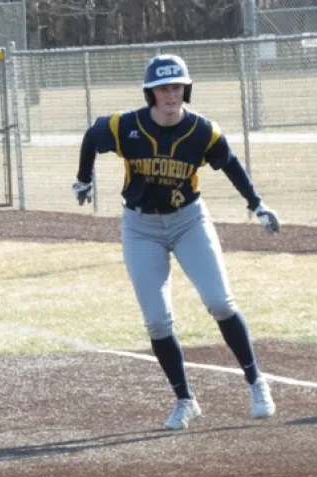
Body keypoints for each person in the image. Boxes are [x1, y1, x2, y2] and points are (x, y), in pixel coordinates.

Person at [71, 54, 280, 431]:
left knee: (219, 301)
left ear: (186, 89)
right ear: (151, 93)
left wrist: (257, 204)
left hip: (188, 222)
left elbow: (231, 164)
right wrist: (84, 178)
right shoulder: (125, 126)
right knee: (156, 320)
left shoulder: (202, 131)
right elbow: (91, 135)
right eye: (164, 88)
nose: (171, 94)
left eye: (177, 86)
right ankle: (185, 399)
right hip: (140, 228)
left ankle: (255, 382)